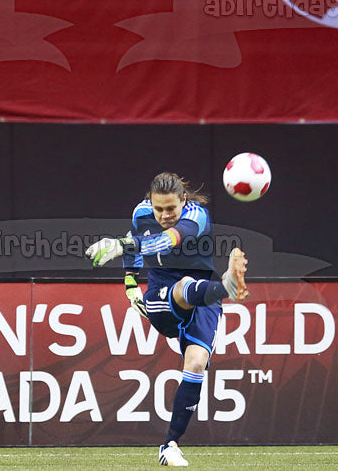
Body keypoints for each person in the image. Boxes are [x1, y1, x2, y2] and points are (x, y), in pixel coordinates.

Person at [85, 172, 248, 467]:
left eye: (171, 208)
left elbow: (166, 242)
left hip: (203, 296)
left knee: (196, 361)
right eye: (158, 208)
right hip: (162, 295)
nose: (164, 215)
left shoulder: (197, 216)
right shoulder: (141, 213)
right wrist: (131, 284)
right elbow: (138, 241)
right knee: (184, 285)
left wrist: (122, 245)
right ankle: (227, 287)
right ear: (150, 202)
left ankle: (170, 444)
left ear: (183, 201)